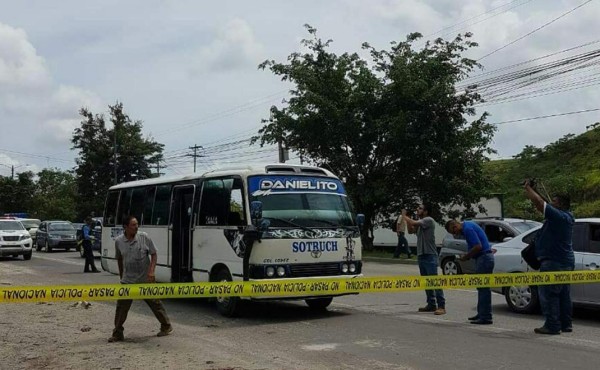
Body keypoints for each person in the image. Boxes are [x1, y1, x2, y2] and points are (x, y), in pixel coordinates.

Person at [108, 215, 173, 342]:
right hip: (128, 280)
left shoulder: (144, 237)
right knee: (121, 307)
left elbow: (153, 254)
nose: (136, 227)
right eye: (133, 225)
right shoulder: (119, 241)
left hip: (145, 279)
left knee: (155, 303)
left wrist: (151, 272)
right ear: (125, 227)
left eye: (137, 224)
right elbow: (119, 259)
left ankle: (166, 326)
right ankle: (117, 333)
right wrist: (122, 276)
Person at [524, 180, 574, 335]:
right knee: (563, 294)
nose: (551, 203)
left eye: (554, 201)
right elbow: (544, 203)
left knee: (549, 294)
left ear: (560, 204)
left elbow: (540, 203)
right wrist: (535, 190)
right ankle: (565, 324)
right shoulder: (566, 217)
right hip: (565, 261)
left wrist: (527, 188)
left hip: (553, 262)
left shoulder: (558, 217)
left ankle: (552, 325)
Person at [445, 219, 494, 325]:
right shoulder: (468, 224)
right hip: (483, 258)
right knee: (481, 288)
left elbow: (478, 246)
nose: (455, 234)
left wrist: (466, 257)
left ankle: (485, 316)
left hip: (484, 258)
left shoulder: (467, 229)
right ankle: (481, 313)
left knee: (483, 288)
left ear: (455, 226)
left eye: (454, 232)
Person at [404, 203, 445, 315]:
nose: (418, 209)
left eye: (420, 208)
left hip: (430, 255)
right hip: (421, 254)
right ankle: (431, 304)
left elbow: (413, 222)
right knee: (426, 282)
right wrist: (407, 220)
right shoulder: (420, 222)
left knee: (434, 281)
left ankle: (441, 306)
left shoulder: (428, 220)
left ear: (426, 211)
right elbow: (410, 230)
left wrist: (404, 216)